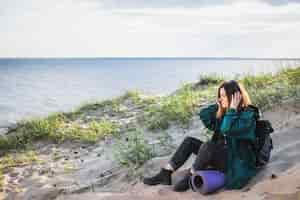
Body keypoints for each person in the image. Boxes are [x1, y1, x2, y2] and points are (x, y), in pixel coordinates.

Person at [143, 80, 259, 192]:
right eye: (220, 95)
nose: (220, 98)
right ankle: (165, 173)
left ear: (234, 96)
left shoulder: (248, 116)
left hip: (235, 161)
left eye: (223, 96)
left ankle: (191, 176)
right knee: (190, 142)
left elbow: (226, 129)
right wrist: (220, 106)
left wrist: (232, 109)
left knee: (208, 146)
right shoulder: (226, 113)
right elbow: (204, 114)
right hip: (222, 154)